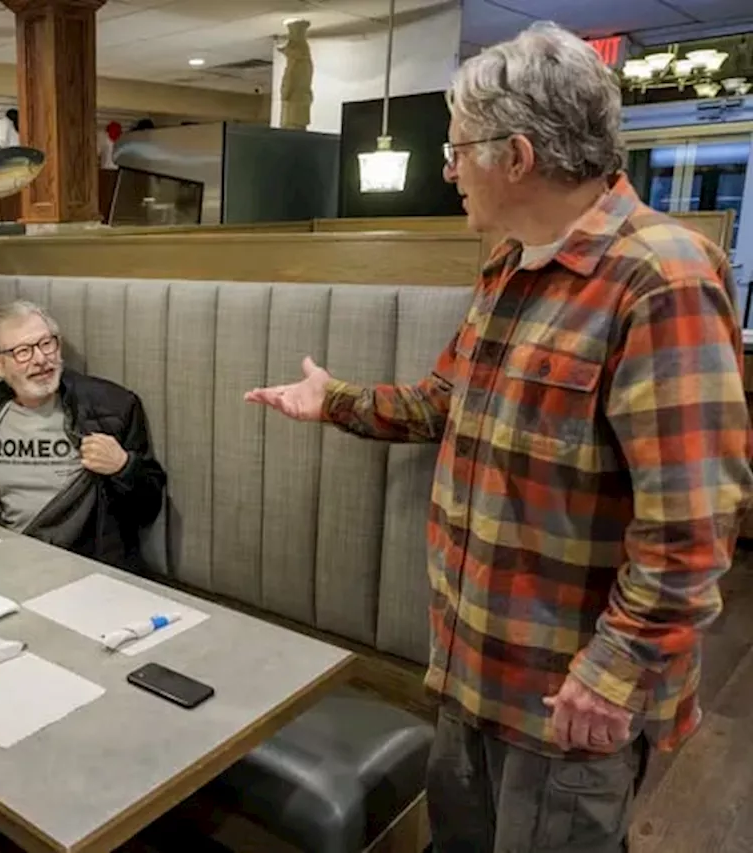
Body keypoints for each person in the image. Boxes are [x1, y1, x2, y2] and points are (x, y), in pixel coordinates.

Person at [246, 22, 752, 853]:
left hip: (568, 698)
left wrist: (612, 672)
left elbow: (694, 527)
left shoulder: (663, 277)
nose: (448, 169)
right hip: (471, 660)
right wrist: (334, 398)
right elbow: (450, 400)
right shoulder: (509, 261)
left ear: (516, 156)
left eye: (457, 150)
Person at [0, 300, 165, 572]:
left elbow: (148, 507)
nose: (40, 359)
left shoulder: (113, 407)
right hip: (1, 556)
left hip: (82, 565)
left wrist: (122, 466)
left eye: (46, 343)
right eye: (23, 351)